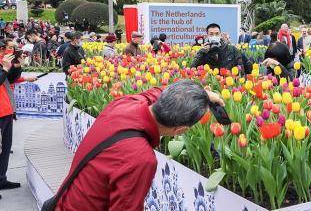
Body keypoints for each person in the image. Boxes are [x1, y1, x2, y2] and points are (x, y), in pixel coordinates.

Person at [54, 80, 224, 210]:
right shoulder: (139, 158)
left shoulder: (125, 104)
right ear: (179, 131)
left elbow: (157, 93)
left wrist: (201, 94)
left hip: (64, 201)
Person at [0, 48, 29, 194]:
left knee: (6, 147)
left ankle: (1, 179)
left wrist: (17, 68)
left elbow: (9, 80)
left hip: (5, 110)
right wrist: (5, 69)